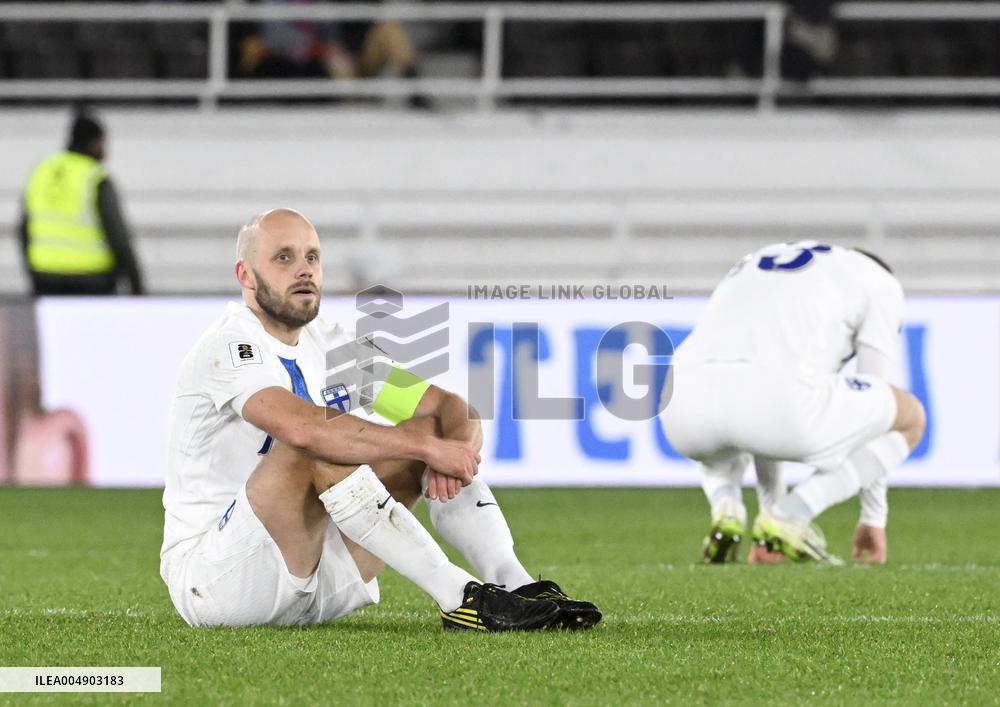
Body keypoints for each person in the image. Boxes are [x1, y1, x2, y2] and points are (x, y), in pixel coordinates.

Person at [159, 208, 601, 631]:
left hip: (316, 577)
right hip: (217, 581)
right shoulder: (229, 344)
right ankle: (459, 598)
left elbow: (448, 408)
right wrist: (427, 450)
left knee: (426, 428)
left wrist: (453, 452)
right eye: (283, 258)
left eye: (312, 256)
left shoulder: (332, 347)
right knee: (323, 440)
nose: (304, 269)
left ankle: (516, 581)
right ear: (245, 275)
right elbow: (304, 429)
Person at [659, 241, 926, 565]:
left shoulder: (760, 257)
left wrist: (768, 511)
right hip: (775, 404)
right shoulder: (880, 281)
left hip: (679, 402)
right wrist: (873, 516)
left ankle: (725, 505)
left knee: (740, 409)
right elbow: (876, 395)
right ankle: (793, 514)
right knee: (910, 416)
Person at [19, 112, 144, 296]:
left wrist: (31, 271)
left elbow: (23, 229)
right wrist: (136, 283)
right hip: (93, 278)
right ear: (95, 142)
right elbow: (118, 235)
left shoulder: (41, 171)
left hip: (44, 276)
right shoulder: (95, 177)